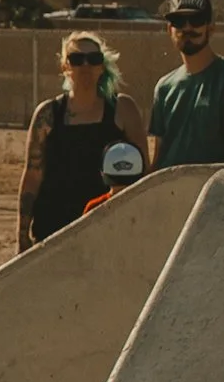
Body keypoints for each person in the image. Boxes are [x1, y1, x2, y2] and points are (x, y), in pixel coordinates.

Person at [17, 33, 151, 251]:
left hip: (107, 226)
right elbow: (32, 175)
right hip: (53, 229)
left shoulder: (123, 110)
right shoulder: (48, 114)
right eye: (77, 59)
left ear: (102, 66)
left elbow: (143, 171)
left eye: (94, 59)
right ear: (65, 67)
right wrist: (21, 235)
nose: (86, 66)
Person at [146, 0, 224, 172]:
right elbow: (159, 159)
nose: (187, 28)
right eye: (179, 22)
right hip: (170, 195)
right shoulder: (164, 87)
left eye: (197, 20)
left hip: (210, 196)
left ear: (211, 28)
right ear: (169, 30)